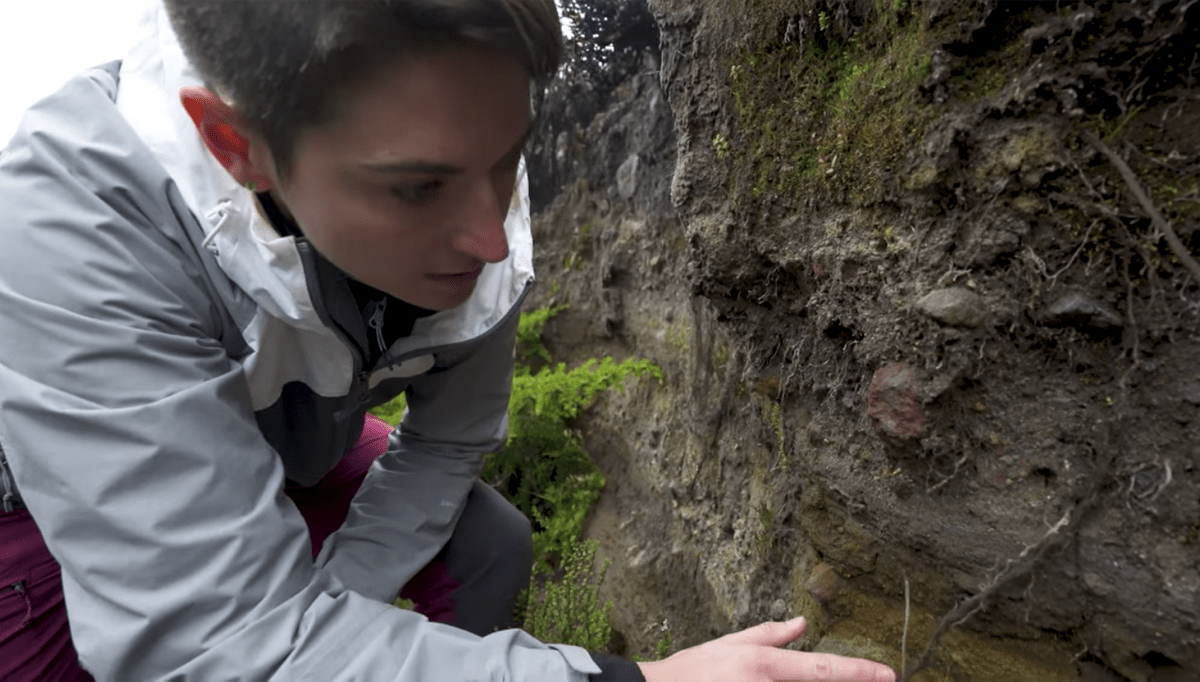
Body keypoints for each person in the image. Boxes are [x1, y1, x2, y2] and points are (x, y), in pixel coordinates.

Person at [0, 1, 896, 681]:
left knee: (488, 542)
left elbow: (452, 438)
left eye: (508, 160)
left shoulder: (460, 177)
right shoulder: (69, 217)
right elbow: (215, 645)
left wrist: (333, 608)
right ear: (236, 145)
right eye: (418, 188)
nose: (493, 239)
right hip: (54, 513)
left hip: (294, 438)